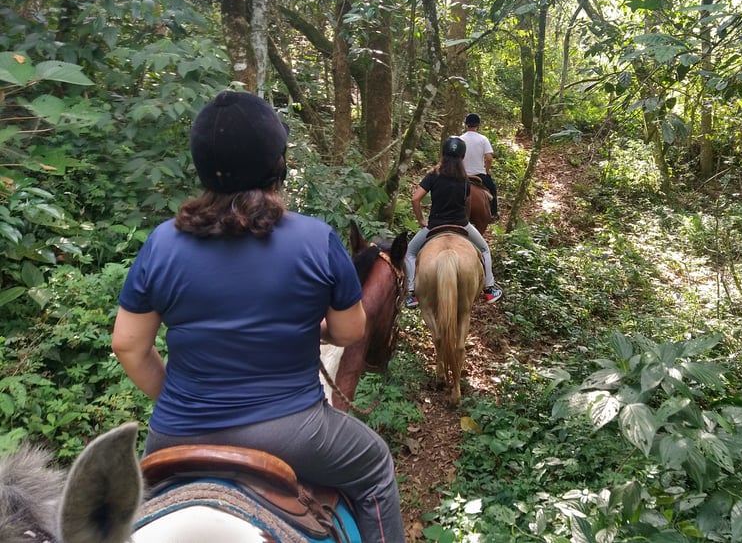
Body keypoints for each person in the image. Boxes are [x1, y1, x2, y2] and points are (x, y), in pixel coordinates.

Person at [111, 90, 404, 543]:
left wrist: (181, 401)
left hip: (174, 435)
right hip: (293, 431)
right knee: (376, 465)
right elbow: (350, 331)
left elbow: (128, 344)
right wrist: (312, 327)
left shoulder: (161, 244)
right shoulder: (316, 239)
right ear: (277, 165)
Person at [404, 136, 502, 308]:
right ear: (462, 157)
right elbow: (465, 202)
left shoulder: (433, 175)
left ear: (443, 154)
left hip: (434, 225)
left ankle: (412, 293)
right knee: (485, 250)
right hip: (461, 224)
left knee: (409, 253)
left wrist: (421, 219)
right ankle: (489, 289)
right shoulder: (464, 179)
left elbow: (415, 199)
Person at [460, 112, 499, 219]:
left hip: (461, 175)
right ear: (478, 125)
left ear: (466, 124)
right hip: (479, 174)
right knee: (492, 189)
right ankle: (493, 213)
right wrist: (487, 170)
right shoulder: (483, 139)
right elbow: (489, 158)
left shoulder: (460, 139)